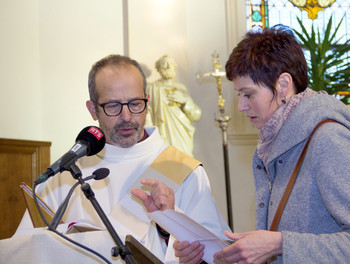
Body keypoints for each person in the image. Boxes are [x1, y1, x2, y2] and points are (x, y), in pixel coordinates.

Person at [15, 54, 229, 263]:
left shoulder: (182, 169)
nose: (127, 117)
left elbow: (220, 256)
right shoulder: (65, 176)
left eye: (135, 104)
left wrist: (174, 237)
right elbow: (25, 251)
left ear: (147, 101)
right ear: (93, 110)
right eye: (113, 106)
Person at [174, 25, 350, 263]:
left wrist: (279, 244)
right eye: (239, 95)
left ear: (283, 86)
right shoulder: (277, 142)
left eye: (249, 94)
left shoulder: (328, 139)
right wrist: (207, 255)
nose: (241, 107)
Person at [146, 54, 202, 157]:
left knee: (185, 162)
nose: (168, 66)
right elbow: (147, 113)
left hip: (182, 132)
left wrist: (185, 101)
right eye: (165, 64)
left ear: (175, 67)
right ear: (159, 68)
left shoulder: (181, 88)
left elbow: (196, 115)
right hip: (162, 133)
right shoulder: (152, 88)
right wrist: (150, 136)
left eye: (171, 64)